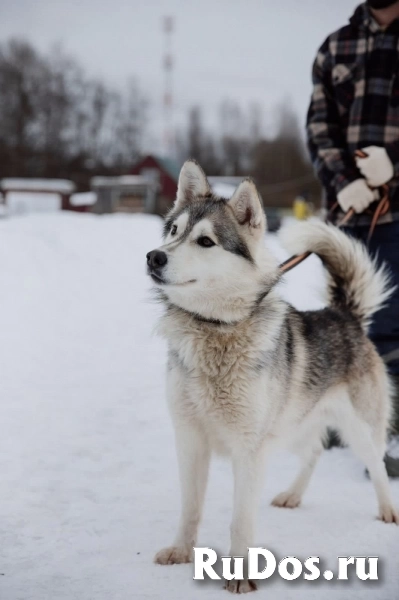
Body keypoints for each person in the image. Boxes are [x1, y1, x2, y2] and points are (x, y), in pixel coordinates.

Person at [307, 0, 399, 476]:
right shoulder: (335, 47)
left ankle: (387, 428)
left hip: (398, 214)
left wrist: (393, 170)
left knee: (390, 323)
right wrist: (344, 181)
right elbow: (319, 128)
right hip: (348, 210)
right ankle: (343, 414)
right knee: (343, 316)